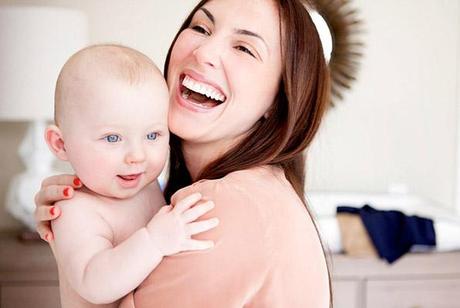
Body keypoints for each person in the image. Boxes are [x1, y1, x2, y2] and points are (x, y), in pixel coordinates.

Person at [35, 0, 332, 306]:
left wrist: (72, 249)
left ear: (279, 100)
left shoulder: (224, 205)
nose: (204, 52)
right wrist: (82, 235)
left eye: (244, 48)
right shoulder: (250, 191)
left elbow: (96, 288)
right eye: (201, 28)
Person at [44, 44, 219, 308]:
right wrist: (154, 241)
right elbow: (94, 284)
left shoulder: (149, 187)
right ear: (60, 144)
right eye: (112, 138)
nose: (137, 156)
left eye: (152, 135)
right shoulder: (76, 210)